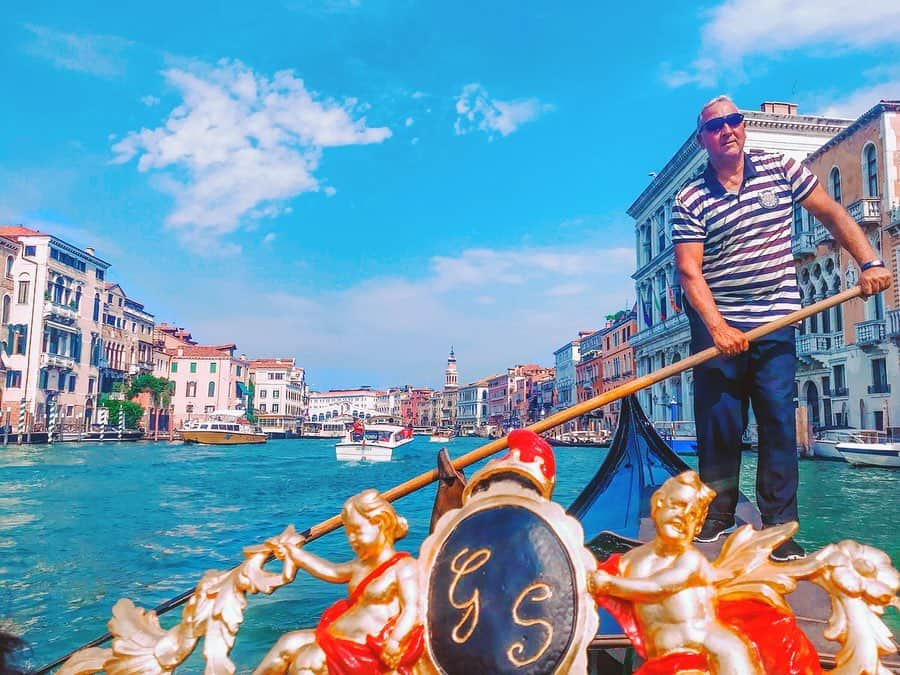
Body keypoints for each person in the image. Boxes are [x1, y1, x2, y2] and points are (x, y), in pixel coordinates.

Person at [672, 95, 892, 561]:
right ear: (702, 139)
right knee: (720, 427)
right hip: (718, 325)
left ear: (743, 128)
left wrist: (869, 260)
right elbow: (690, 271)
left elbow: (833, 213)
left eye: (734, 121)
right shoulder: (689, 197)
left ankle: (778, 528)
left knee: (776, 425)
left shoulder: (781, 169)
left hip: (776, 321)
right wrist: (716, 328)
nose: (727, 129)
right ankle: (716, 518)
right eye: (716, 126)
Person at [589, 472, 762, 673]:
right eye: (678, 505)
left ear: (697, 527)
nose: (683, 515)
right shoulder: (631, 560)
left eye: (693, 515)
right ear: (658, 506)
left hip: (711, 652)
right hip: (661, 654)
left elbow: (658, 586)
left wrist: (609, 584)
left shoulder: (689, 560)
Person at [254, 489, 423, 675]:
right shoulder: (360, 565)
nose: (351, 539)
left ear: (380, 523)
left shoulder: (404, 567)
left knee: (308, 662)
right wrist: (295, 554)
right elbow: (330, 571)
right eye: (348, 532)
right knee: (288, 643)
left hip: (368, 649)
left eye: (356, 531)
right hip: (336, 637)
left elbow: (412, 610)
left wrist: (395, 641)